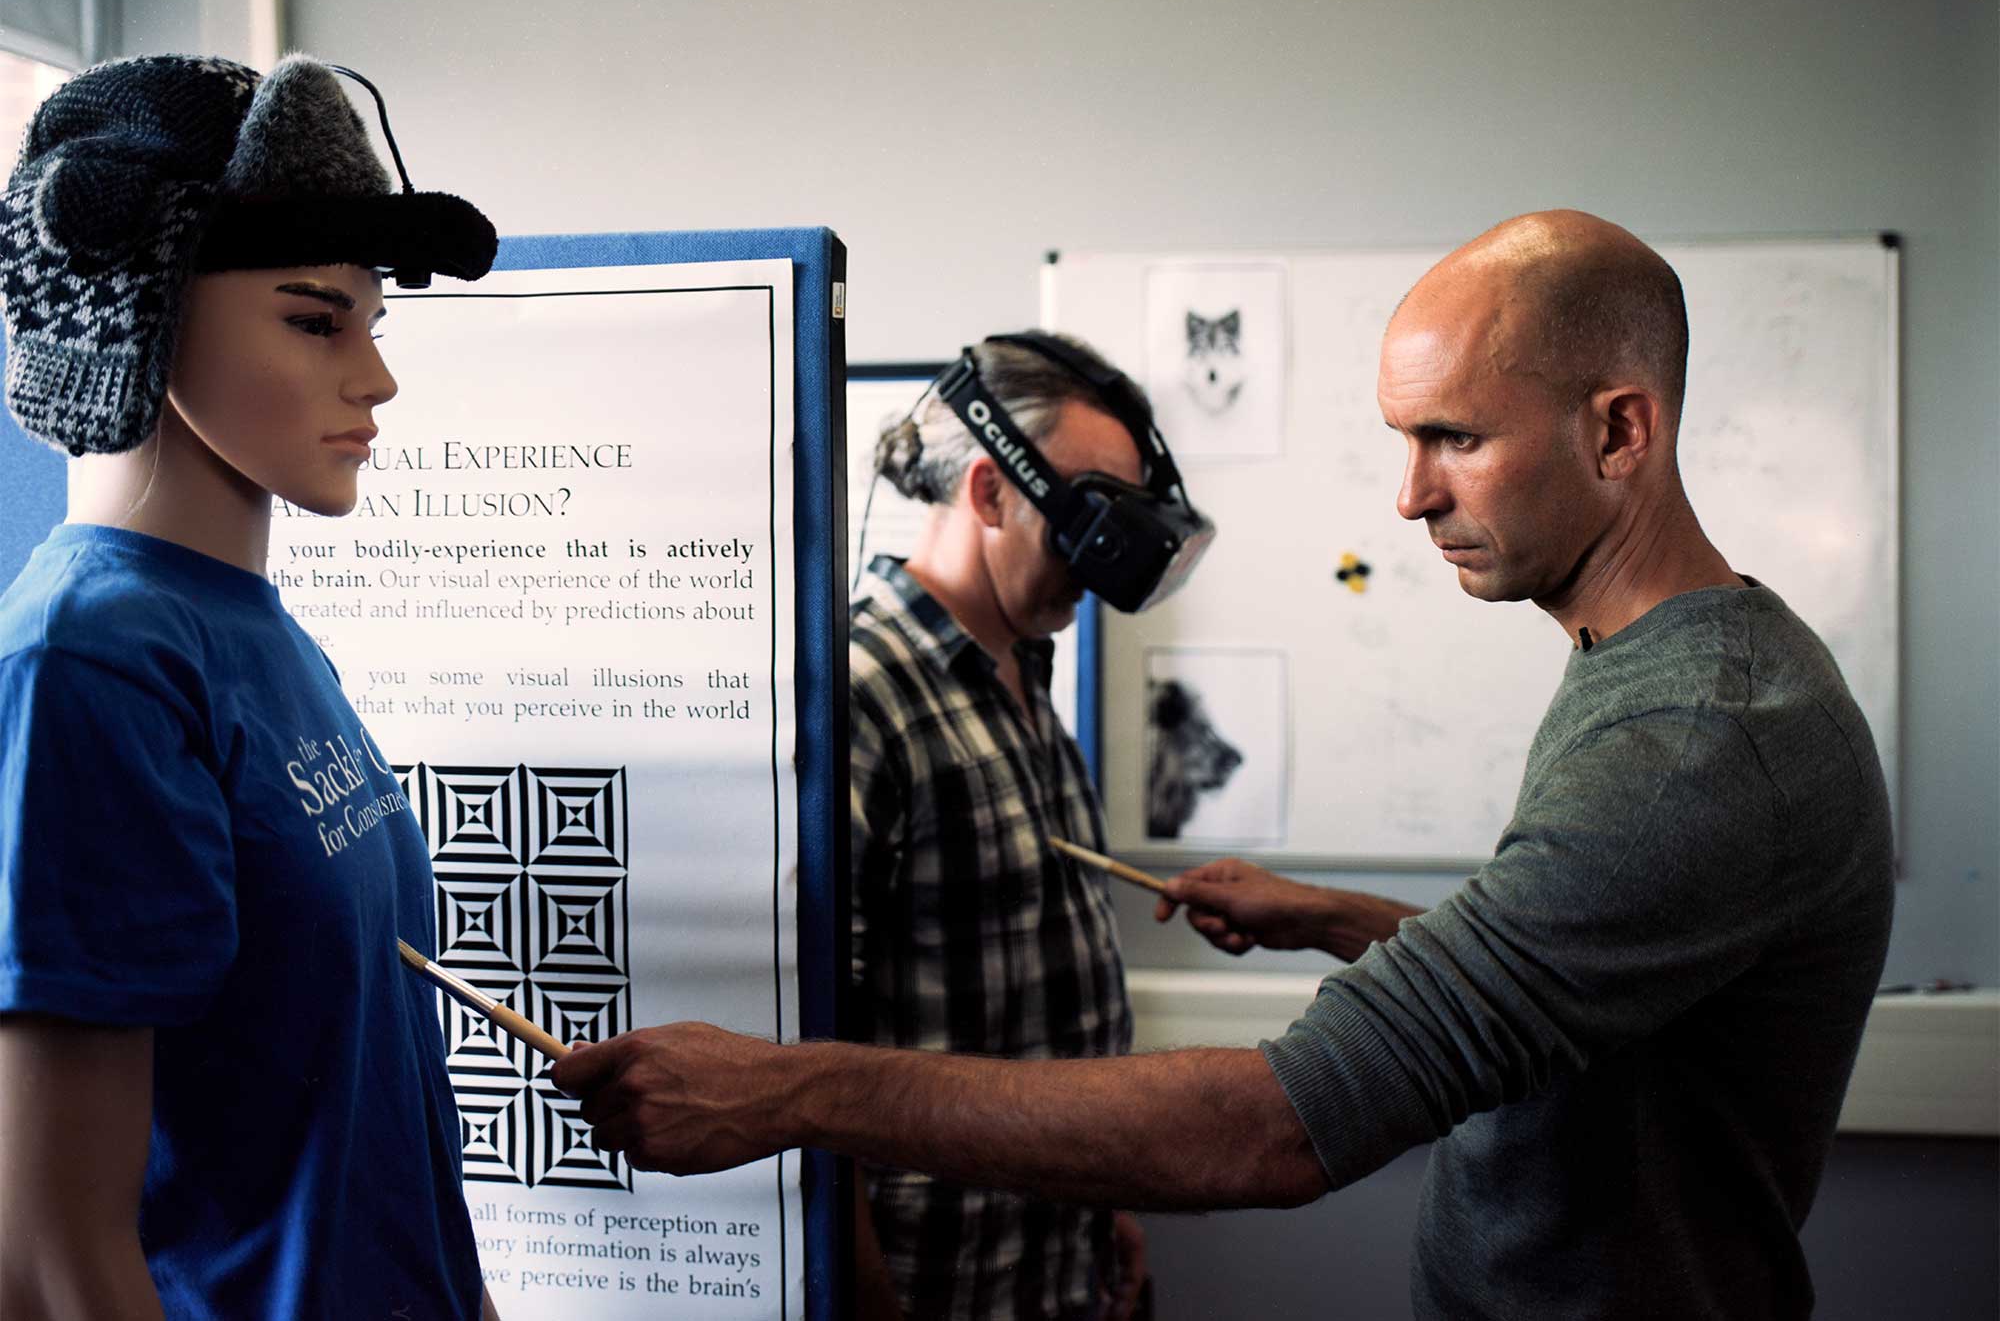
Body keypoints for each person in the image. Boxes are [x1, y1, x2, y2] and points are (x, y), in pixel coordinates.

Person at [552, 211, 1894, 1320]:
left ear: (1619, 432)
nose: (1412, 496)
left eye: (1456, 439)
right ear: (985, 489)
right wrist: (1335, 916)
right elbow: (1566, 970)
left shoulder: (1702, 736)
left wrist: (789, 1090)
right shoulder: (1646, 672)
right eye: (1405, 440)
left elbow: (1276, 1126)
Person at [0, 55, 499, 1318]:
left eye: (371, 323)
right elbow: (51, 1255)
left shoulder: (254, 635)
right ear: (143, 317)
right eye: (314, 319)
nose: (375, 378)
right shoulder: (90, 665)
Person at [847, 333, 1198, 1319]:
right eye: (1088, 515)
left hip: (1052, 1259)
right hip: (938, 1280)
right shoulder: (860, 691)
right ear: (990, 492)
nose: (1103, 556)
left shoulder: (1021, 674)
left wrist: (1096, 1206)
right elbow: (801, 1054)